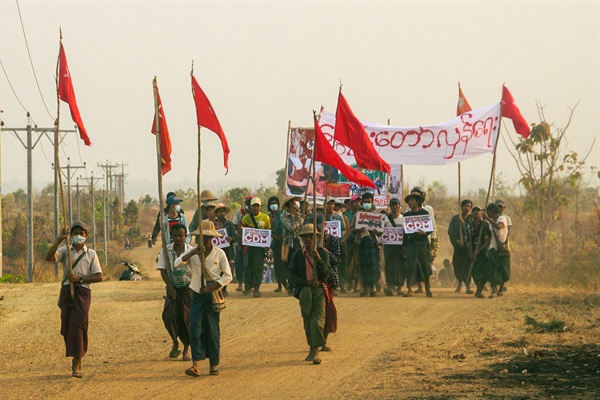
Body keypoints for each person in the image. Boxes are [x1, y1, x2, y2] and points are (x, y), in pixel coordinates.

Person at [44, 221, 103, 378]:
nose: (78, 235)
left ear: (86, 235)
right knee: (67, 326)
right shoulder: (65, 251)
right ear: (71, 236)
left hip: (82, 292)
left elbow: (99, 277)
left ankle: (77, 361)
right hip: (66, 291)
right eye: (75, 233)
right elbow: (48, 258)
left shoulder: (91, 254)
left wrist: (80, 279)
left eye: (81, 233)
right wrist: (58, 240)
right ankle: (75, 354)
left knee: (79, 325)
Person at [176, 221, 232, 377]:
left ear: (213, 238)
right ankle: (196, 365)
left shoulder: (219, 254)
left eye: (207, 238)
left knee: (212, 331)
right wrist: (192, 253)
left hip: (212, 295)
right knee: (195, 329)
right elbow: (177, 264)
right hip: (197, 295)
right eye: (202, 237)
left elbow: (228, 275)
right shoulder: (193, 253)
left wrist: (213, 286)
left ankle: (213, 365)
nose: (205, 241)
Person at [288, 224, 331, 365]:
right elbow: (292, 276)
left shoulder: (323, 253)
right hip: (305, 291)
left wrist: (318, 260)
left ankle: (316, 351)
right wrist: (306, 283)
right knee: (307, 321)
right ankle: (311, 348)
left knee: (317, 321)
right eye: (305, 236)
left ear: (317, 237)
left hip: (319, 290)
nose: (308, 239)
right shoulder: (298, 255)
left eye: (311, 236)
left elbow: (327, 273)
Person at [156, 223, 193, 361]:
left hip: (187, 288)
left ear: (185, 236)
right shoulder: (166, 251)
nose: (178, 238)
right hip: (172, 288)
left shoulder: (190, 251)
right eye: (176, 235)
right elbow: (163, 270)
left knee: (186, 319)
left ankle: (186, 349)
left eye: (181, 236)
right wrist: (169, 286)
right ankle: (175, 341)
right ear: (171, 236)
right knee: (169, 316)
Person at [402, 192, 433, 297]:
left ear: (418, 201)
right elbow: (405, 232)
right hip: (411, 243)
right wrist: (404, 246)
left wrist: (425, 233)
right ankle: (410, 289)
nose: (410, 203)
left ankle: (428, 287)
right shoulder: (407, 215)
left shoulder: (424, 214)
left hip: (423, 243)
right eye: (409, 201)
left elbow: (430, 229)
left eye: (412, 200)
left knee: (425, 265)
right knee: (410, 266)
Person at [350, 193, 381, 297]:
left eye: (369, 202)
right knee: (363, 266)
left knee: (373, 266)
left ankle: (372, 287)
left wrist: (377, 231)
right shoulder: (358, 215)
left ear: (372, 202)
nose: (367, 203)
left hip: (373, 243)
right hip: (362, 242)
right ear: (362, 203)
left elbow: (381, 232)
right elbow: (352, 229)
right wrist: (359, 229)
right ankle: (364, 287)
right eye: (365, 202)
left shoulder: (376, 215)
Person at [241, 197, 271, 297]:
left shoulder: (265, 217)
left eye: (257, 206)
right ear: (250, 207)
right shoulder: (246, 218)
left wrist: (267, 246)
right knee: (249, 267)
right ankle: (248, 287)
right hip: (249, 248)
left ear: (260, 207)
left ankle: (257, 289)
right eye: (253, 206)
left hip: (260, 248)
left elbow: (268, 231)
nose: (255, 208)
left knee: (258, 267)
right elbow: (242, 231)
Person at [280, 197, 305, 295]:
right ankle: (290, 285)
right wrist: (301, 221)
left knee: (299, 264)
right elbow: (291, 227)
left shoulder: (299, 216)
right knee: (290, 265)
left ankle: (297, 285)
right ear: (290, 204)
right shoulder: (284, 216)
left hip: (299, 242)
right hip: (289, 244)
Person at [448, 199, 474, 293]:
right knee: (457, 265)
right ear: (461, 207)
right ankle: (459, 284)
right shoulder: (455, 219)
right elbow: (451, 232)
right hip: (459, 247)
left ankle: (468, 287)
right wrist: (456, 242)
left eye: (469, 206)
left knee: (468, 267)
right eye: (466, 206)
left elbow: (471, 230)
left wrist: (463, 224)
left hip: (468, 247)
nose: (467, 208)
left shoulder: (471, 218)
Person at [467, 206, 493, 298]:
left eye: (478, 211)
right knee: (474, 272)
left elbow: (488, 239)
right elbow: (469, 241)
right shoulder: (469, 226)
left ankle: (480, 289)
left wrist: (480, 250)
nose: (476, 212)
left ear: (481, 213)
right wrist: (471, 253)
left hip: (483, 250)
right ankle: (478, 288)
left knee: (485, 271)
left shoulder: (485, 224)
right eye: (474, 211)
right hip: (473, 250)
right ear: (472, 214)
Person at [483, 203, 509, 297]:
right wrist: (485, 225)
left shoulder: (502, 219)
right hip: (492, 248)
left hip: (502, 248)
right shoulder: (490, 223)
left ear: (491, 211)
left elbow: (498, 226)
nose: (487, 213)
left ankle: (500, 289)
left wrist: (487, 218)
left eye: (488, 212)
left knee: (503, 269)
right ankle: (494, 289)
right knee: (492, 269)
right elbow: (489, 236)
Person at [383, 197, 405, 296]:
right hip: (388, 246)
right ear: (390, 206)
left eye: (397, 204)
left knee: (400, 265)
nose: (395, 206)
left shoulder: (403, 219)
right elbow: (381, 231)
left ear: (399, 206)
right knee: (389, 265)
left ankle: (400, 287)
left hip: (400, 246)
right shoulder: (385, 219)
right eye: (393, 204)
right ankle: (390, 285)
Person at [232, 195, 253, 292]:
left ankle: (249, 284)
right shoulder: (239, 212)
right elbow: (235, 225)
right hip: (240, 243)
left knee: (249, 264)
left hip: (251, 243)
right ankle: (240, 283)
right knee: (239, 264)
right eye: (248, 202)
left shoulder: (256, 213)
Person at [267, 196, 286, 292]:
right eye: (271, 203)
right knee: (277, 264)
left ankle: (287, 283)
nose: (273, 205)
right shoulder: (268, 217)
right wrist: (276, 237)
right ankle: (279, 284)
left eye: (275, 203)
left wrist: (283, 235)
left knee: (285, 263)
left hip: (285, 242)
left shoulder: (283, 214)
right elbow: (268, 230)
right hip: (275, 242)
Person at [344, 195, 362, 292]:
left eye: (359, 202)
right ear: (351, 203)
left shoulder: (363, 214)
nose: (357, 204)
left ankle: (356, 284)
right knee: (348, 262)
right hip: (349, 241)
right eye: (355, 202)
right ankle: (349, 282)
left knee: (358, 263)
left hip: (359, 241)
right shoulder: (346, 215)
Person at [495, 199, 512, 293]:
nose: (499, 208)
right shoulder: (492, 217)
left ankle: (501, 286)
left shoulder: (506, 218)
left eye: (500, 207)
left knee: (503, 266)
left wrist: (503, 244)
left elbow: (507, 232)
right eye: (497, 206)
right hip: (494, 245)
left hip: (503, 244)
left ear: (504, 208)